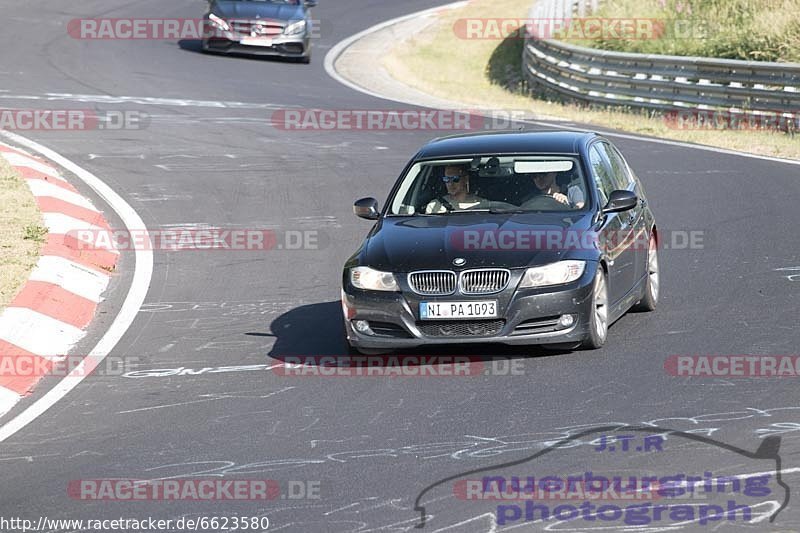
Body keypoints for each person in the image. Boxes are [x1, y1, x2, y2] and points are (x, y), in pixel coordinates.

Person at [424, 165, 490, 213]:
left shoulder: (482, 205)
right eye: (446, 179)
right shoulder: (434, 206)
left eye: (455, 179)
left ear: (466, 179)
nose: (450, 183)